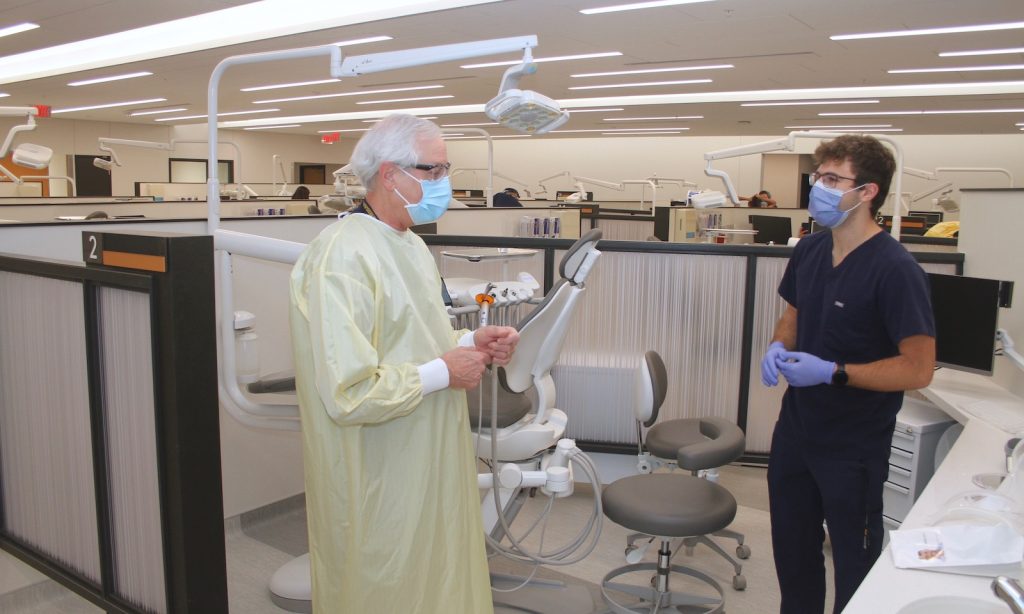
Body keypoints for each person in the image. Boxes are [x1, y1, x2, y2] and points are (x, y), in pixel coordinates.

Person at [289, 114, 518, 613]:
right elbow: (349, 393)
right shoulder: (342, 257)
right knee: (385, 582)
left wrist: (471, 341)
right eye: (433, 170)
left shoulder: (411, 245)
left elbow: (414, 339)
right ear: (390, 174)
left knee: (437, 573)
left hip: (428, 451)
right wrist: (445, 371)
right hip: (378, 468)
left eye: (445, 169)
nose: (444, 182)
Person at [760, 134, 935, 614]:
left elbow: (918, 369)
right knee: (793, 553)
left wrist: (833, 373)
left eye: (833, 179)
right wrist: (778, 345)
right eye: (819, 176)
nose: (819, 187)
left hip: (853, 446)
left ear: (868, 192)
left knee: (855, 567)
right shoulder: (811, 250)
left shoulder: (896, 270)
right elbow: (794, 313)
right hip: (797, 431)